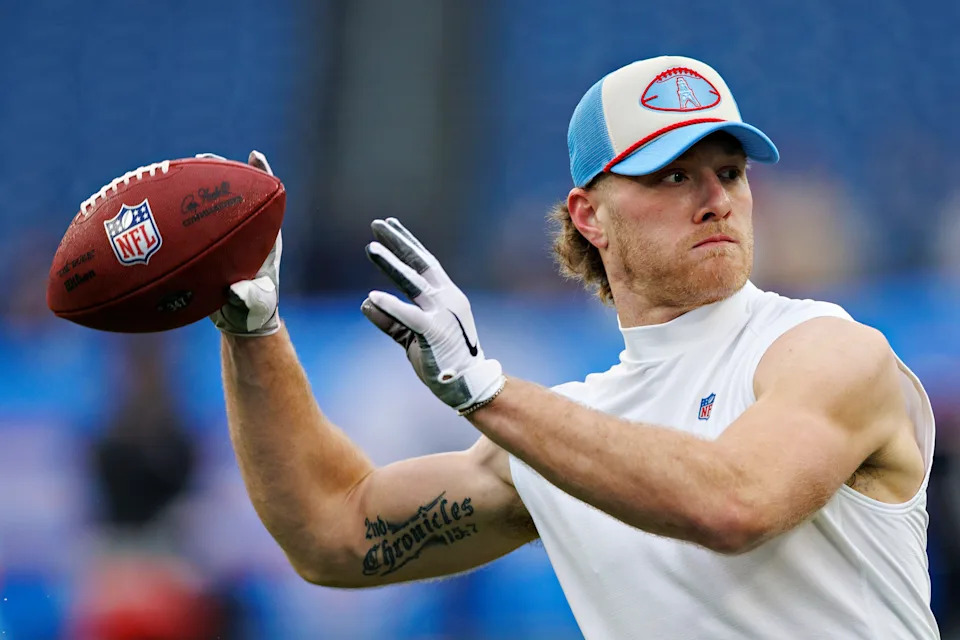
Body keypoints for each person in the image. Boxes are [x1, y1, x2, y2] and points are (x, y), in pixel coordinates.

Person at [212, 56, 939, 639]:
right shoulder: (561, 435)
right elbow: (334, 534)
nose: (717, 197)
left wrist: (483, 390)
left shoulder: (827, 349)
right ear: (588, 215)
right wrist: (253, 334)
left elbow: (736, 503)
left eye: (731, 172)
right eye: (674, 175)